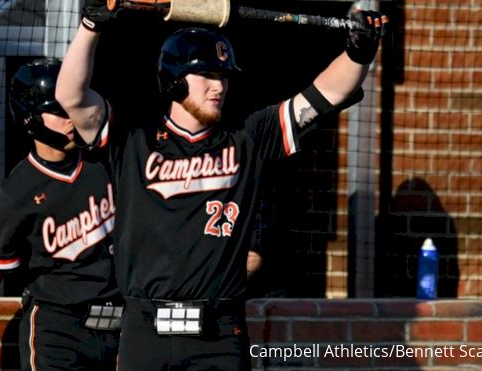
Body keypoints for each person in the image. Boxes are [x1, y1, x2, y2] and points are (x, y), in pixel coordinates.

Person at [56, 1, 387, 369]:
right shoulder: (132, 140)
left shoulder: (248, 137)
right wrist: (89, 26)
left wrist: (359, 51)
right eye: (208, 76)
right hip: (143, 329)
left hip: (219, 331)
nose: (220, 87)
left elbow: (326, 95)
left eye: (225, 77)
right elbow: (70, 97)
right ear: (175, 80)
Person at [0, 58, 121, 371]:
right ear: (31, 121)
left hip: (119, 324)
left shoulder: (106, 161)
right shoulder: (16, 192)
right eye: (60, 112)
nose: (72, 118)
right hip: (57, 330)